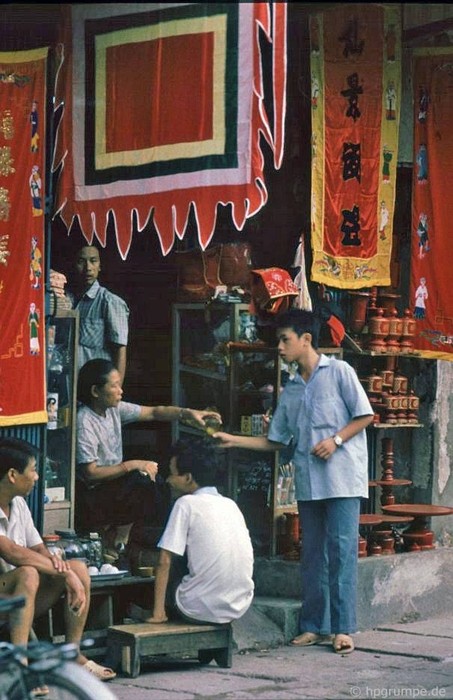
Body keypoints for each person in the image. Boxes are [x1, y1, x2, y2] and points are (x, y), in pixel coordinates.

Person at [214, 309, 374, 654]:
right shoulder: (290, 390)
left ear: (306, 339)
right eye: (278, 341)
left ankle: (343, 628)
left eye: (285, 339)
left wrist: (337, 441)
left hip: (343, 479)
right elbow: (276, 440)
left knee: (342, 551)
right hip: (310, 481)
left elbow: (365, 415)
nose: (280, 347)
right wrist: (233, 439)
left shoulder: (340, 372)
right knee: (312, 554)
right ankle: (314, 626)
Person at [75, 359, 222, 558]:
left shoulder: (114, 409)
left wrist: (187, 413)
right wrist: (133, 464)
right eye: (114, 386)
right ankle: (111, 536)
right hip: (93, 496)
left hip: (115, 486)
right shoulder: (84, 420)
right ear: (95, 391)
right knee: (140, 480)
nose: (121, 391)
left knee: (160, 485)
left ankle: (123, 539)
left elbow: (155, 412)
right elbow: (90, 473)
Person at [0, 437, 116, 689]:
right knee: (29, 573)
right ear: (12, 474)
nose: (37, 477)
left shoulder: (18, 504)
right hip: (8, 591)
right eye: (33, 470)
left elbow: (37, 547)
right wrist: (63, 575)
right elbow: (12, 553)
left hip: (16, 599)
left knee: (77, 567)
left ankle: (72, 654)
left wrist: (61, 566)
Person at [131, 436, 254, 625]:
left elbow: (164, 561)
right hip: (238, 606)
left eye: (172, 474)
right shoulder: (231, 504)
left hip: (196, 608)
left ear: (188, 478)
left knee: (167, 559)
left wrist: (158, 612)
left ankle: (155, 612)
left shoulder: (185, 504)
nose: (169, 480)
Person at [69, 245, 129, 384]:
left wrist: (115, 390)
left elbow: (120, 350)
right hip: (69, 382)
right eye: (81, 261)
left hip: (96, 386)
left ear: (100, 266)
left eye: (93, 261)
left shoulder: (110, 302)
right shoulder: (67, 299)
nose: (88, 267)